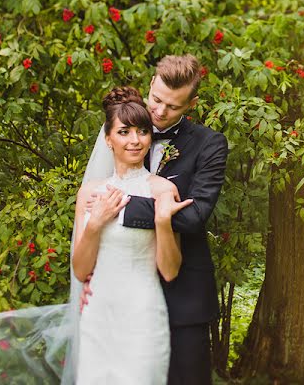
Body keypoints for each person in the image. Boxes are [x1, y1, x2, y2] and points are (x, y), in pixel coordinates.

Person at [0, 86, 191, 384]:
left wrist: (162, 222)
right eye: (124, 132)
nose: (135, 140)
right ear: (108, 139)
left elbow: (170, 271)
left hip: (143, 315)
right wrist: (95, 223)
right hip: (98, 316)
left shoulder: (162, 190)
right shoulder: (90, 193)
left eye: (142, 131)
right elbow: (81, 270)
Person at [84, 54, 228, 385]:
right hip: (121, 293)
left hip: (185, 294)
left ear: (192, 104)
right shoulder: (126, 129)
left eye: (173, 107)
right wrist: (93, 277)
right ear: (151, 85)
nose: (160, 112)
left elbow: (193, 216)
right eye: (156, 99)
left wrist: (120, 207)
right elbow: (93, 208)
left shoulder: (210, 145)